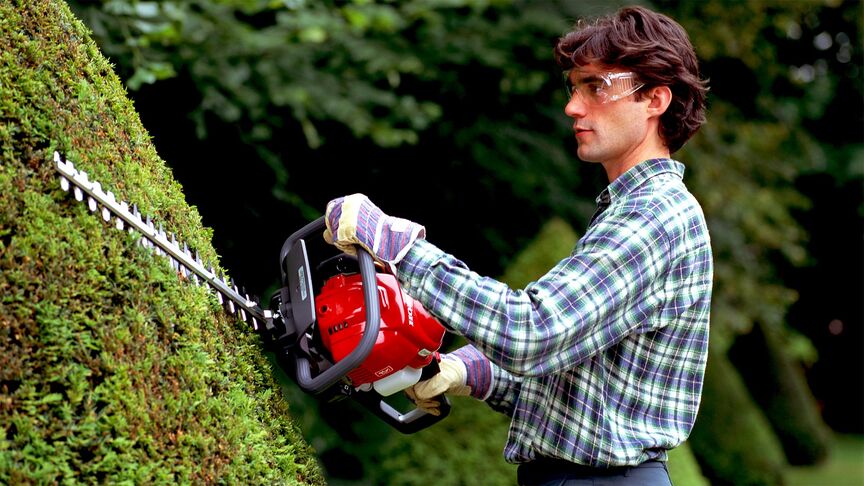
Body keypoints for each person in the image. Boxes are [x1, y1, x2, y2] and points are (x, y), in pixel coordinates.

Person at [323, 5, 712, 485]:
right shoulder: (636, 209)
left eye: (596, 86)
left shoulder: (653, 216)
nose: (573, 106)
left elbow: (531, 332)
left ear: (655, 99)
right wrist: (466, 372)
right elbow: (584, 389)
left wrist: (395, 244)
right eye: (574, 87)